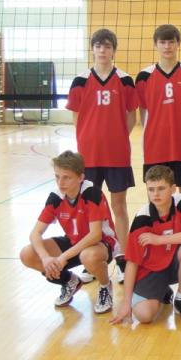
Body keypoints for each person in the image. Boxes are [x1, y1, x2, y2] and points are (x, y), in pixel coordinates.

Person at [67, 28, 137, 284]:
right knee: (91, 210)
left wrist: (117, 137)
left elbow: (131, 116)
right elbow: (76, 118)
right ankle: (92, 260)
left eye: (107, 46)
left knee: (119, 206)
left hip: (117, 155)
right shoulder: (80, 80)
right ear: (92, 49)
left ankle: (123, 258)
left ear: (113, 50)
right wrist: (88, 140)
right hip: (89, 156)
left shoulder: (125, 80)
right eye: (98, 46)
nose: (102, 50)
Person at [19, 151, 116, 313]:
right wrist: (45, 258)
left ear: (80, 177)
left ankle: (105, 286)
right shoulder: (56, 197)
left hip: (101, 245)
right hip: (73, 242)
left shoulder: (92, 194)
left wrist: (63, 257)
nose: (60, 182)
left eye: (67, 177)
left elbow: (95, 235)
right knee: (27, 254)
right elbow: (35, 234)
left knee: (88, 256)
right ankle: (69, 281)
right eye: (57, 177)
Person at [110, 165, 181, 324]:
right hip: (152, 270)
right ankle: (162, 291)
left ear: (173, 189)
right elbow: (132, 263)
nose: (156, 194)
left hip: (175, 264)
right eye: (151, 189)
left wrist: (159, 239)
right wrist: (126, 302)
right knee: (144, 315)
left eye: (161, 188)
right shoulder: (142, 218)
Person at [135, 24, 181, 205]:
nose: (167, 46)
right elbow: (144, 111)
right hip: (155, 149)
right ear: (155, 45)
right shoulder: (143, 77)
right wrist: (156, 132)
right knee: (156, 199)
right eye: (162, 42)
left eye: (171, 42)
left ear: (178, 44)